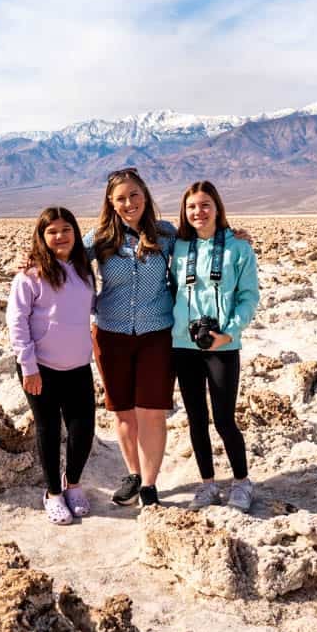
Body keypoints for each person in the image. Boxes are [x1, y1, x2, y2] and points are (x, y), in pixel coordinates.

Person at [84, 168, 179, 507]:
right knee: (123, 412)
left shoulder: (166, 234)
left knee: (151, 411)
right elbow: (64, 260)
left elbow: (205, 242)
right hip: (111, 334)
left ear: (145, 195)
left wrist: (233, 236)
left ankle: (150, 485)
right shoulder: (99, 238)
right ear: (111, 202)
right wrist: (32, 261)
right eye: (121, 198)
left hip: (157, 334)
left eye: (134, 195)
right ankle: (133, 475)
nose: (129, 203)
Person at [168, 181, 260, 511]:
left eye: (205, 205)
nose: (199, 212)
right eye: (192, 206)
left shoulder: (238, 248)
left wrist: (230, 332)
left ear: (217, 207)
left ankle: (241, 482)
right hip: (183, 346)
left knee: (224, 420)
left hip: (223, 346)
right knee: (196, 419)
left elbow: (249, 296)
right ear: (185, 211)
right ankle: (207, 485)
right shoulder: (176, 246)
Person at [7, 207, 98, 525]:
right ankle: (53, 494)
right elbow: (16, 321)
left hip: (77, 365)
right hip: (40, 367)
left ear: (75, 232)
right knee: (48, 430)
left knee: (83, 429)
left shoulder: (84, 269)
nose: (60, 236)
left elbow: (91, 308)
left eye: (66, 229)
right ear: (42, 237)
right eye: (52, 231)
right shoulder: (30, 275)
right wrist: (28, 365)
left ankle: (72, 484)